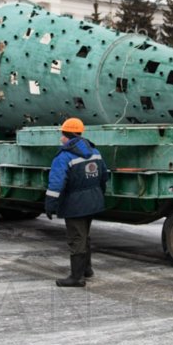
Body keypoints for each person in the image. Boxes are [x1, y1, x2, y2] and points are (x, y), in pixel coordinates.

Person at [44, 117, 109, 287]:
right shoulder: (95, 151)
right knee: (84, 235)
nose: (61, 138)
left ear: (68, 135)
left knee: (76, 238)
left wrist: (50, 204)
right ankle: (86, 269)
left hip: (75, 204)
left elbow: (56, 182)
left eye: (62, 135)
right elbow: (104, 176)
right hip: (92, 201)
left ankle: (76, 277)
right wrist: (99, 193)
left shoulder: (64, 156)